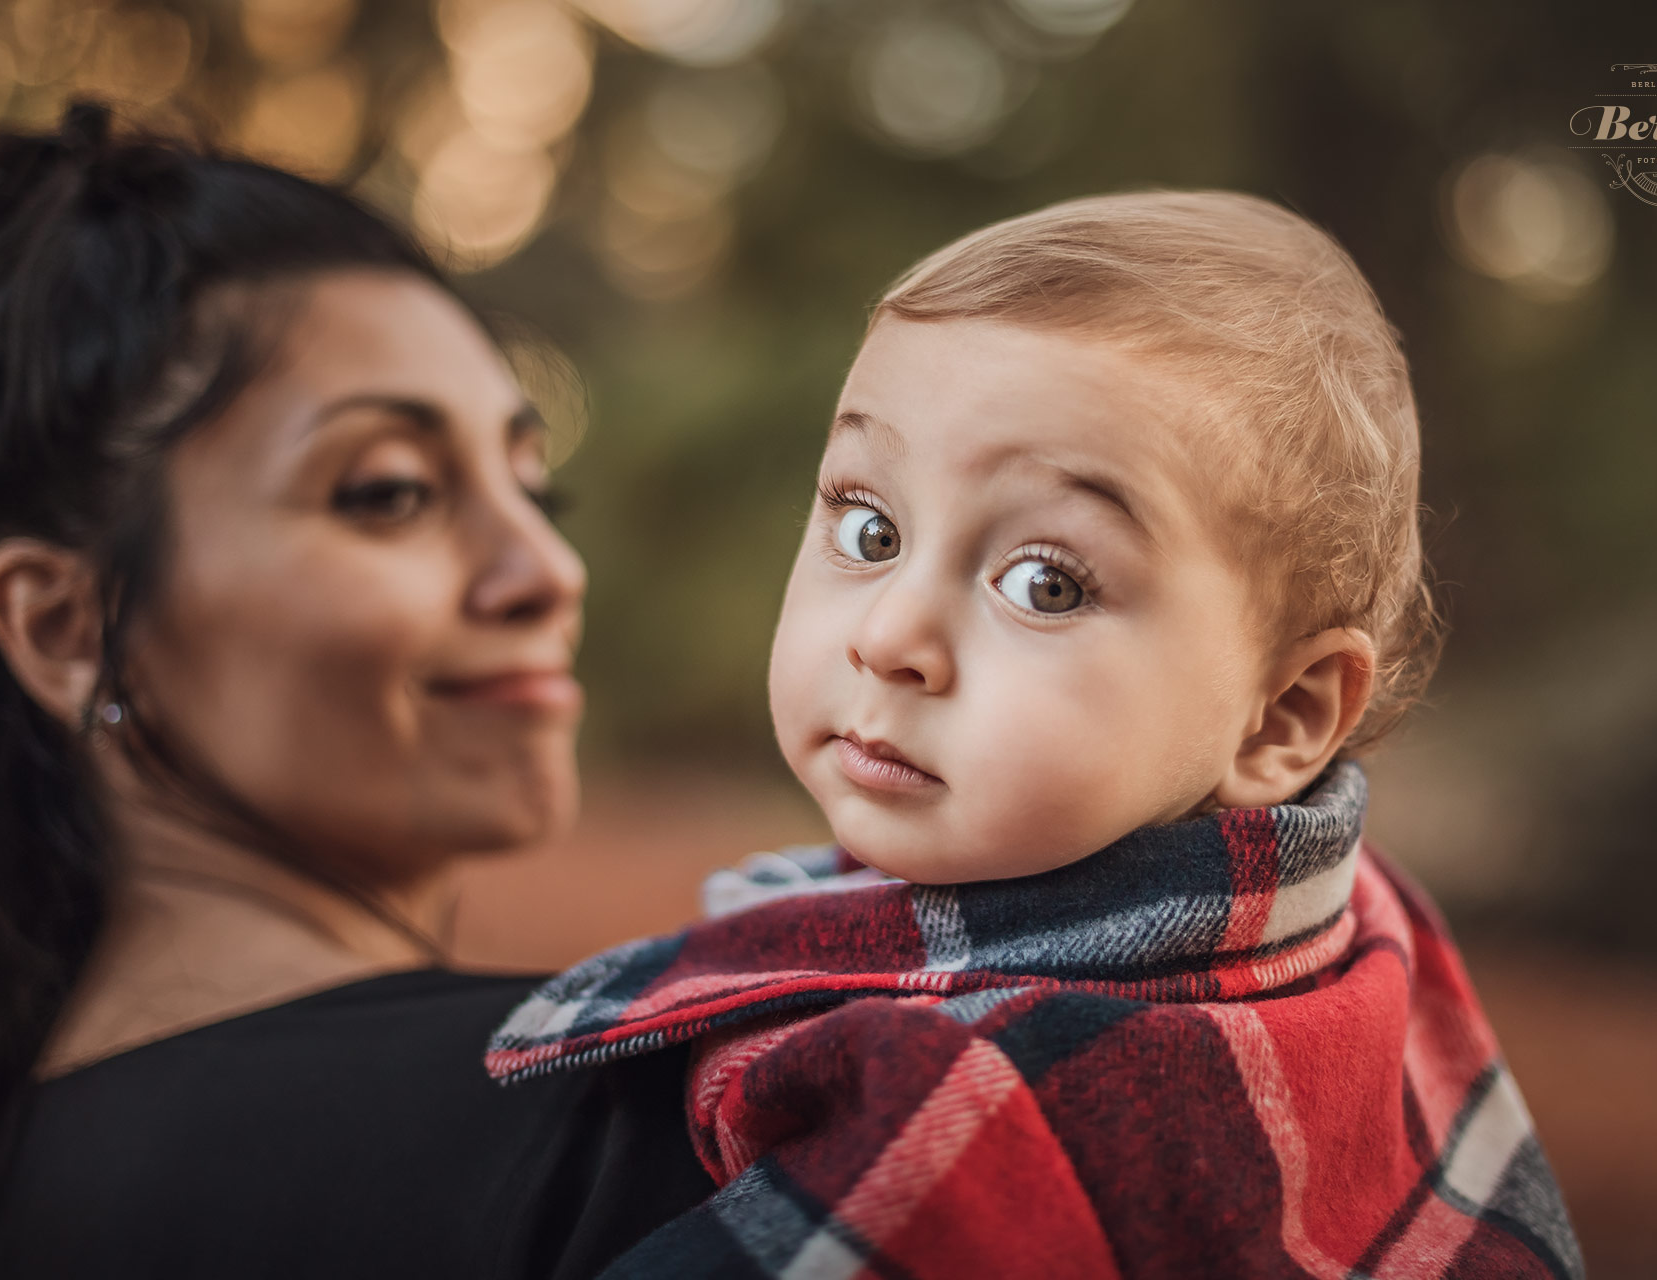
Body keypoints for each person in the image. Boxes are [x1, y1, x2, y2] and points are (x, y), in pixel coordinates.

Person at [487, 192, 1587, 1278]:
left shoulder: (977, 1115)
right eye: (869, 526)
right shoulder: (1362, 922)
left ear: (1283, 715)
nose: (889, 634)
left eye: (1044, 582)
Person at [0, 102, 713, 1279]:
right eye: (389, 491)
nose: (548, 571)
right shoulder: (626, 1132)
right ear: (66, 625)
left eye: (539, 492)